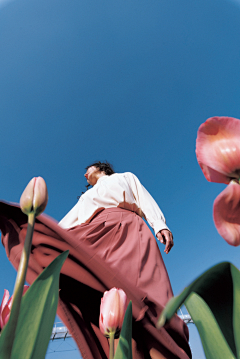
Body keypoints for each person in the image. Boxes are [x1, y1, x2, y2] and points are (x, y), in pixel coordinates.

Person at [0, 162, 191, 359]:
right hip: (93, 235)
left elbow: (143, 198)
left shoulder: (125, 177)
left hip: (126, 230)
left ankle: (160, 345)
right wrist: (42, 243)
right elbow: (67, 223)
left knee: (141, 288)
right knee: (95, 292)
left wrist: (159, 224)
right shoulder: (85, 197)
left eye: (87, 170)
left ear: (101, 168)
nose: (85, 175)